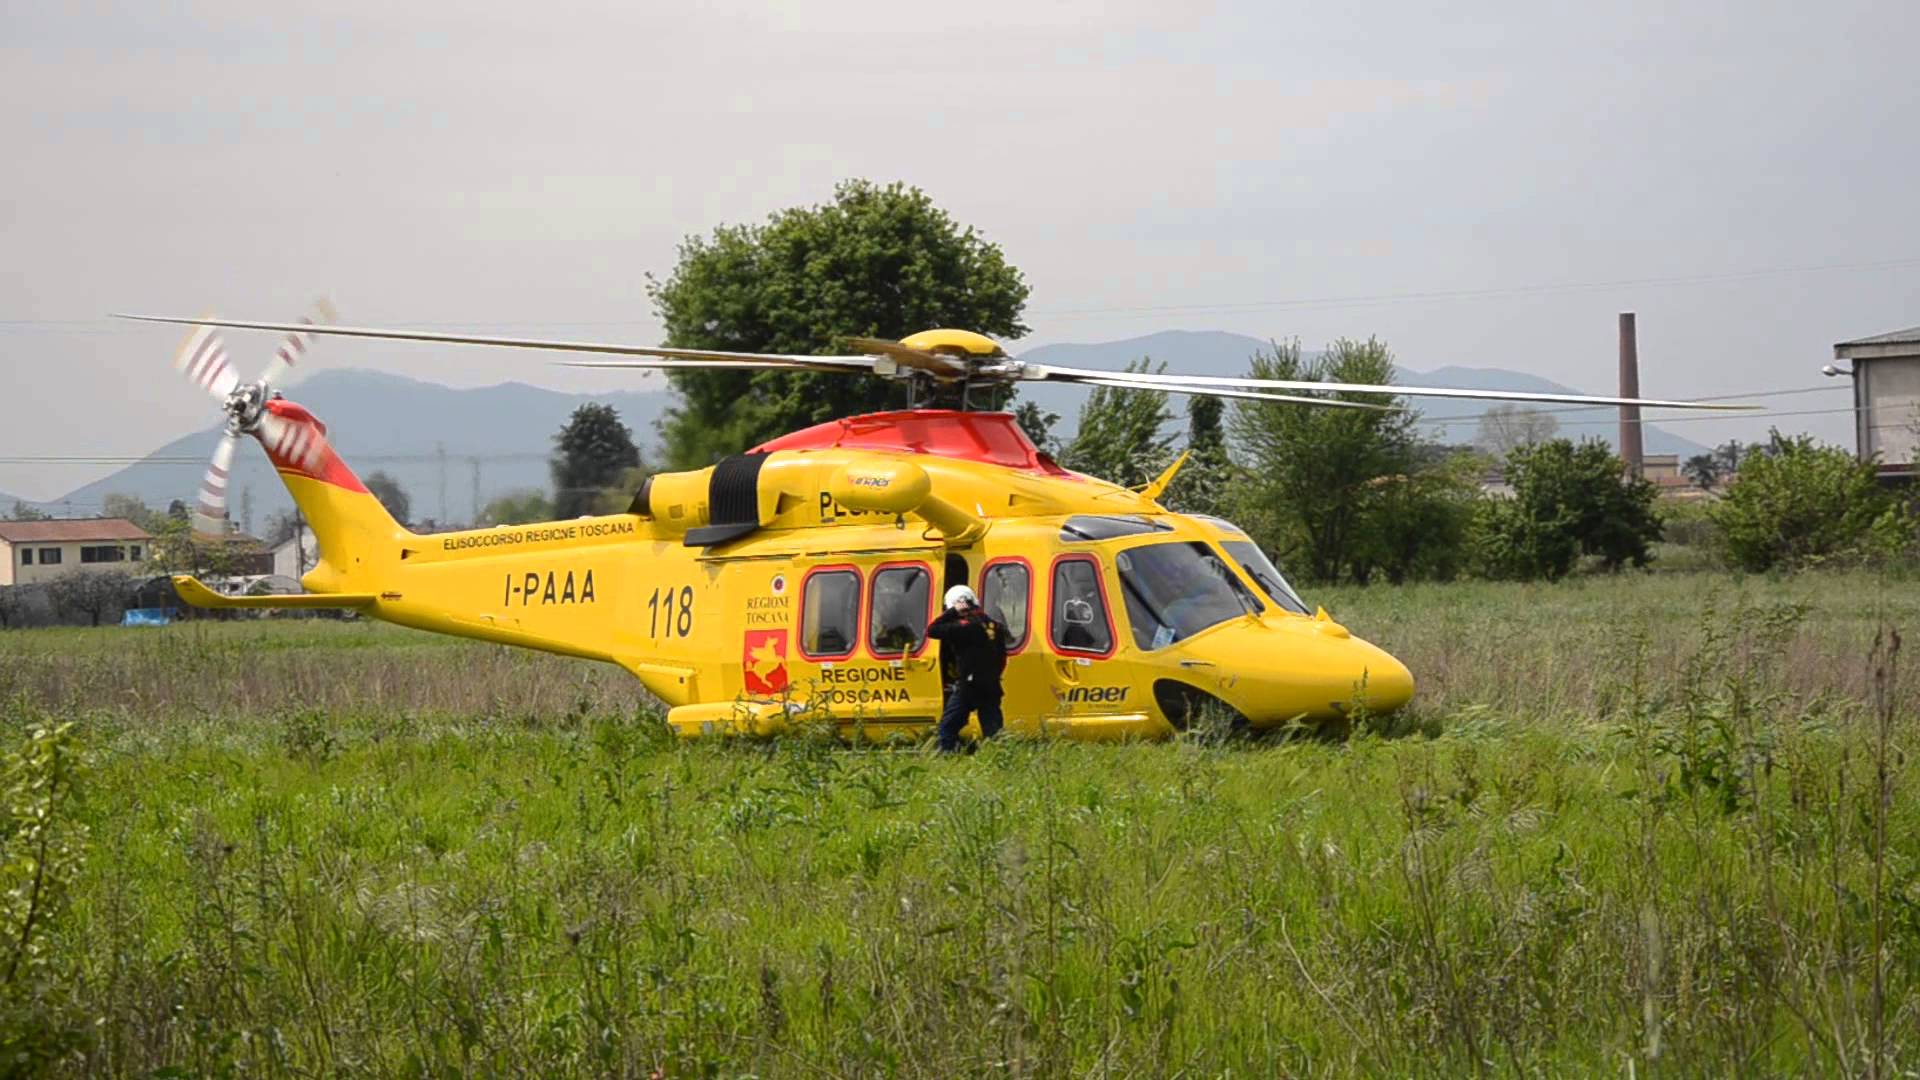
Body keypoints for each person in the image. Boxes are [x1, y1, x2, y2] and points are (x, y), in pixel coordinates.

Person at [926, 584, 1008, 752]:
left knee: (947, 728)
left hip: (969, 687)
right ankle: (1000, 759)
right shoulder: (994, 625)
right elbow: (1002, 658)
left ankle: (949, 757)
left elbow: (932, 630)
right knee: (994, 732)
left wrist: (952, 612)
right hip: (992, 685)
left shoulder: (963, 628)